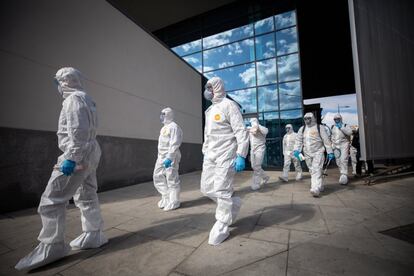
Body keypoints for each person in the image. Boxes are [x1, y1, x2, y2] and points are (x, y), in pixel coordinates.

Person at [16, 67, 107, 271]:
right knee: (87, 194)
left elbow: (78, 131)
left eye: (58, 82)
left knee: (52, 199)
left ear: (64, 81)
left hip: (77, 154)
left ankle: (52, 245)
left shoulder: (73, 100)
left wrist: (72, 158)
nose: (57, 86)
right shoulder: (87, 98)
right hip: (91, 151)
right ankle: (94, 234)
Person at [201, 77, 249, 245]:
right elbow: (208, 135)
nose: (207, 91)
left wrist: (241, 154)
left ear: (217, 87)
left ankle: (222, 225)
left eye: (210, 87)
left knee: (221, 189)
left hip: (226, 154)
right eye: (206, 87)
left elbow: (241, 131)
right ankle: (233, 204)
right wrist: (205, 151)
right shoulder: (210, 110)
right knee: (206, 188)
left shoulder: (230, 105)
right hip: (211, 155)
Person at [293, 113, 334, 197]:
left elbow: (326, 140)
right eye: (305, 119)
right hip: (307, 153)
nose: (307, 120)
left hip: (318, 152)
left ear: (312, 118)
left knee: (317, 169)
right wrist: (297, 150)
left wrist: (330, 151)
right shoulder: (302, 129)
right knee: (311, 170)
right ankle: (319, 185)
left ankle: (315, 188)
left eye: (309, 118)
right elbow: (298, 141)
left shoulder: (319, 127)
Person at [153, 107, 183, 211]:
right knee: (157, 176)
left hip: (171, 157)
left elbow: (174, 143)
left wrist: (170, 157)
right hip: (161, 157)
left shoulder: (174, 127)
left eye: (163, 114)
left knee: (171, 179)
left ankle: (174, 201)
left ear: (168, 115)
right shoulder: (164, 128)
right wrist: (160, 157)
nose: (161, 116)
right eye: (161, 114)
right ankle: (166, 198)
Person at [247, 118, 269, 190]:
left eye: (254, 122)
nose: (252, 123)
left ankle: (256, 184)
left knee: (257, 166)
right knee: (254, 166)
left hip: (260, 148)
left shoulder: (262, 129)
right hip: (252, 150)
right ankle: (265, 177)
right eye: (251, 122)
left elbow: (266, 131)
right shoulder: (250, 130)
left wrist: (257, 126)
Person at [331, 114, 353, 185]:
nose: (336, 120)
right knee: (338, 161)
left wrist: (341, 127)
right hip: (335, 146)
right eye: (335, 119)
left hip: (344, 144)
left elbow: (350, 133)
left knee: (343, 159)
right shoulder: (333, 127)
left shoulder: (346, 125)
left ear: (340, 119)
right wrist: (332, 145)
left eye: (338, 119)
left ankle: (344, 174)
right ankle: (342, 174)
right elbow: (332, 136)